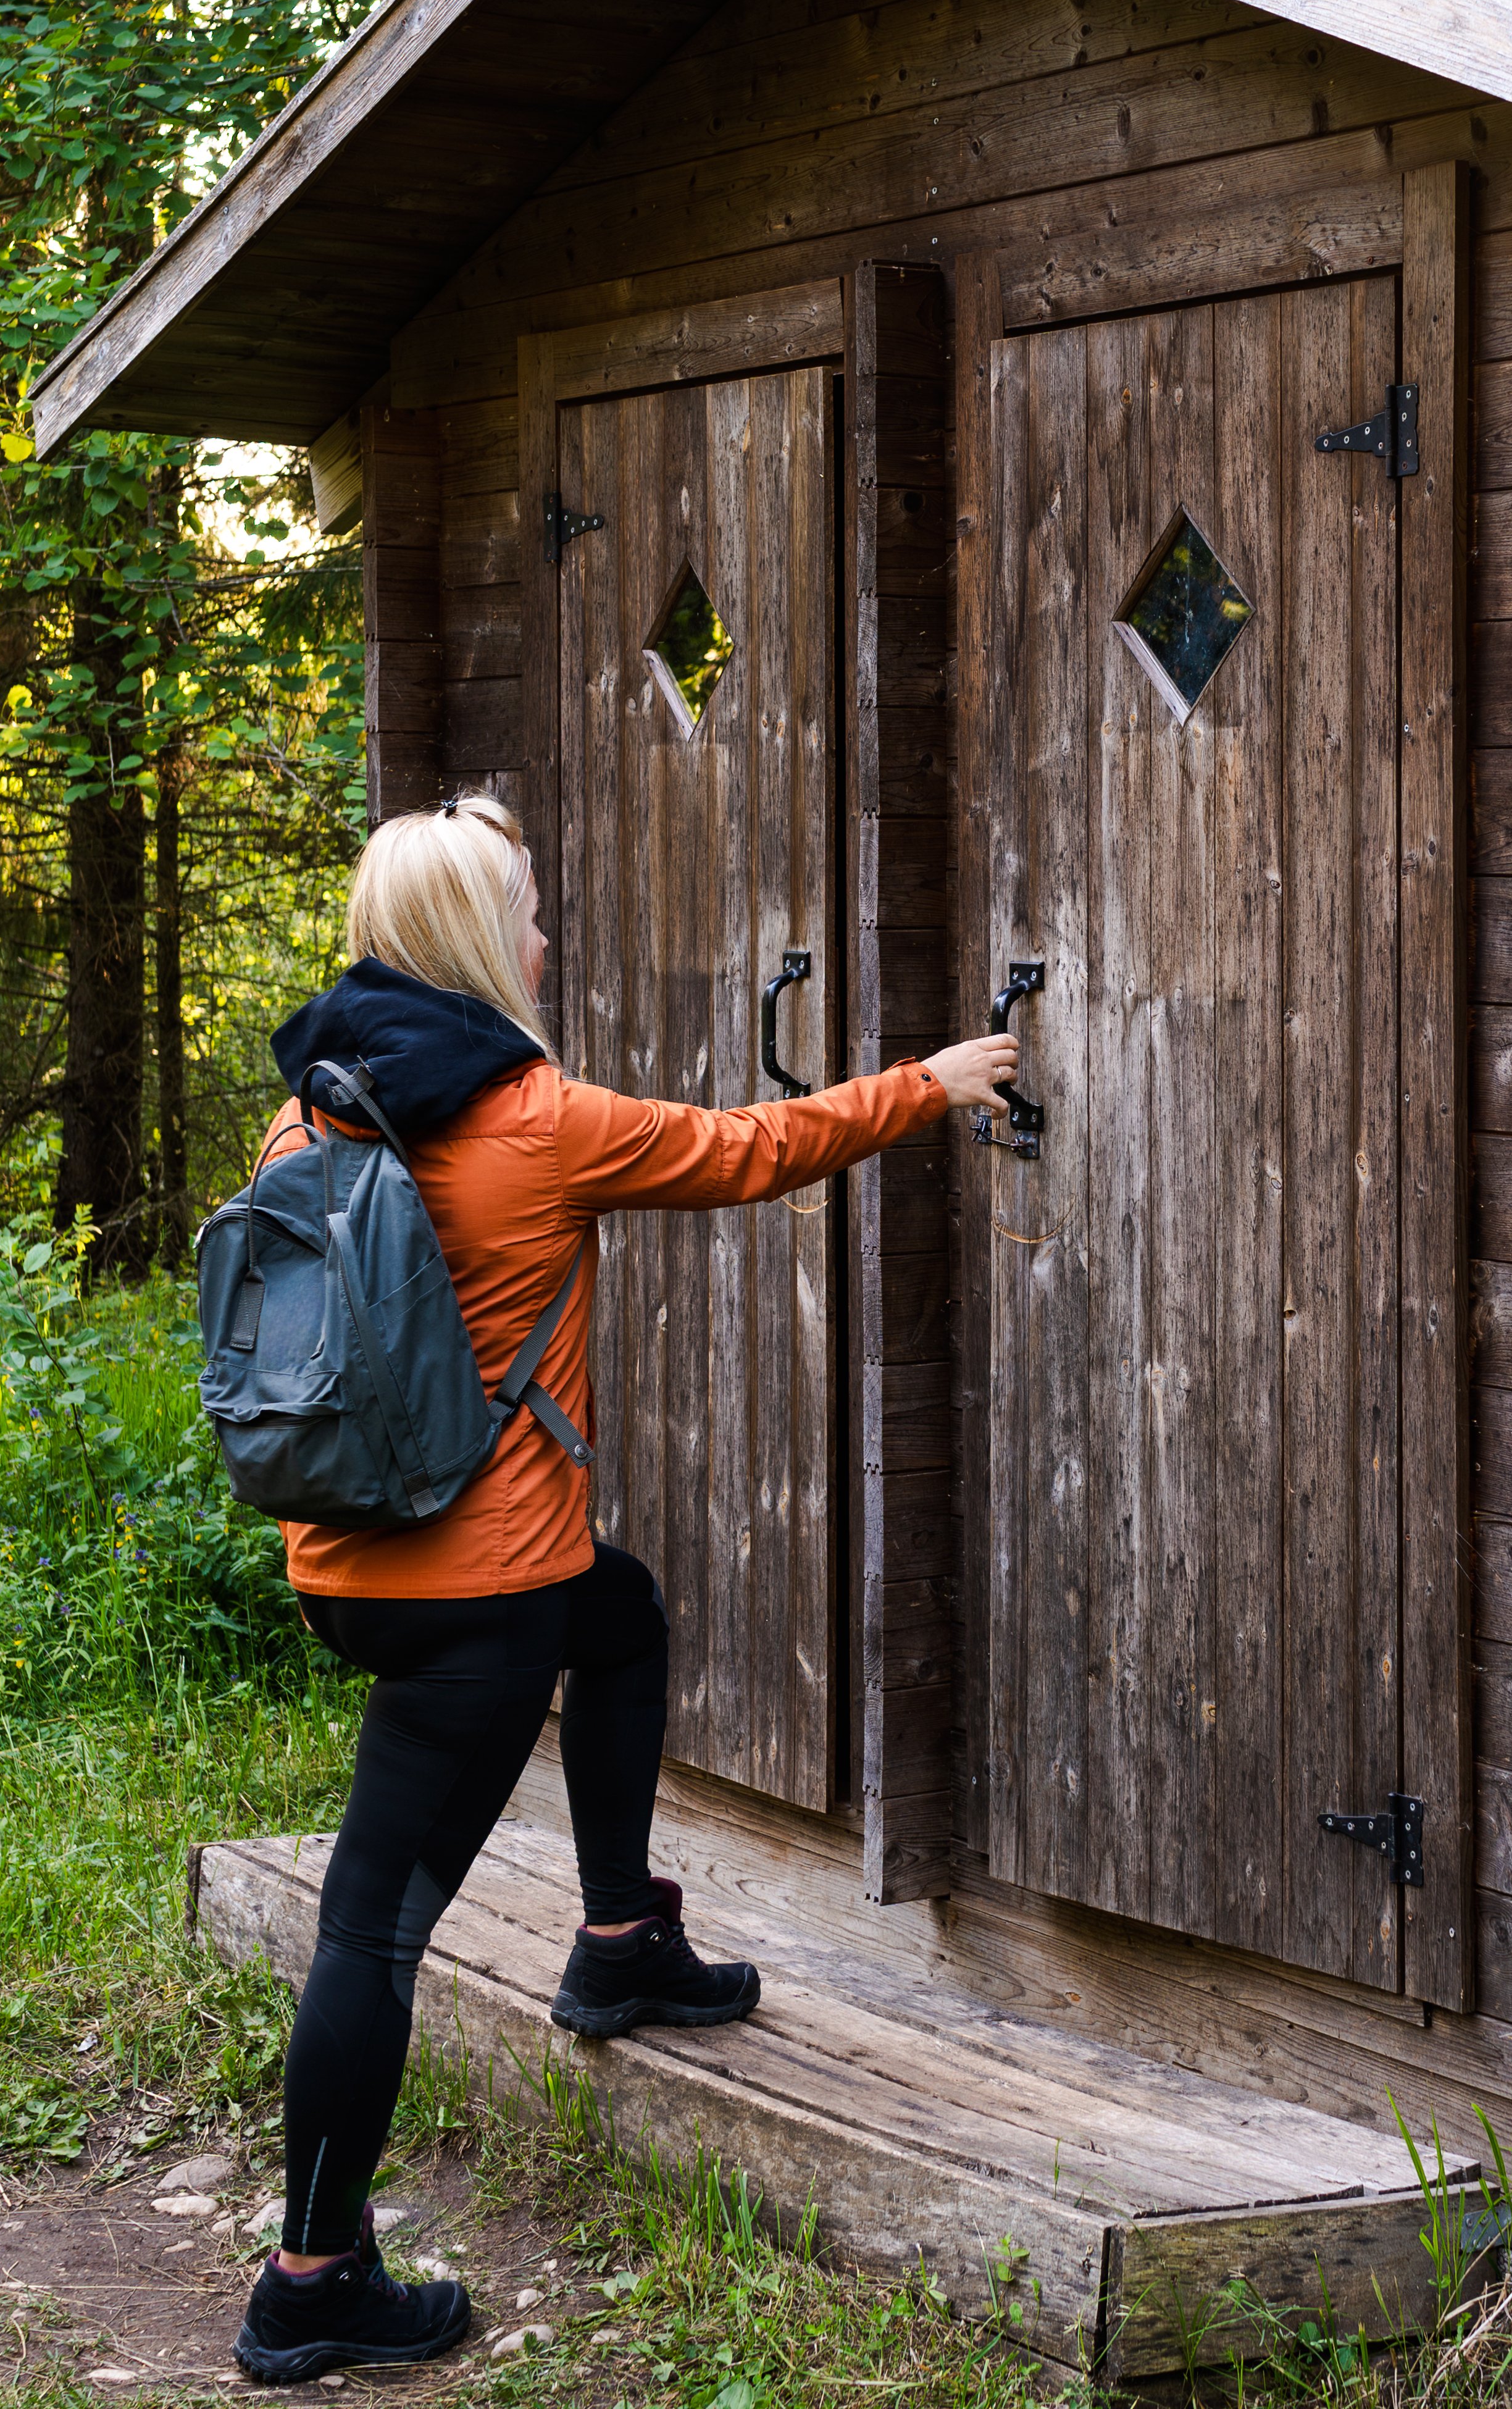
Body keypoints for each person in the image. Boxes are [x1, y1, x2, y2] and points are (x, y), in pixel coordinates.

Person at [227, 794, 1017, 2386]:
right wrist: (925, 1086)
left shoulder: (309, 1121)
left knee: (624, 1608)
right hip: (476, 1602)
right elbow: (752, 1150)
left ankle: (617, 1938)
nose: (540, 937)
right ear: (466, 944)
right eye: (520, 910)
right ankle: (312, 2279)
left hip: (350, 1560)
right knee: (372, 1934)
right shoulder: (535, 1117)